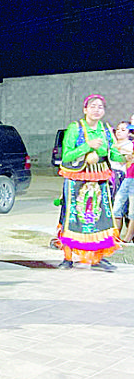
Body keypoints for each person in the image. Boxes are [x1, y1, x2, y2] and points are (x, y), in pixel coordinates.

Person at [57, 95, 128, 271]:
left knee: (100, 219)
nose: (97, 110)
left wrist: (126, 156)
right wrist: (87, 145)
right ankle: (67, 257)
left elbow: (111, 153)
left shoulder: (105, 129)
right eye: (93, 106)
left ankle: (98, 259)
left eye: (100, 107)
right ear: (85, 109)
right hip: (76, 180)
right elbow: (66, 156)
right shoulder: (75, 128)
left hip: (99, 179)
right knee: (72, 218)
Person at [111, 121, 134, 241]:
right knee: (115, 207)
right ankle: (114, 235)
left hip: (122, 177)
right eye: (118, 129)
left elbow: (122, 159)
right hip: (118, 177)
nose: (119, 131)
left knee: (127, 209)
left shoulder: (129, 145)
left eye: (123, 130)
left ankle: (125, 236)